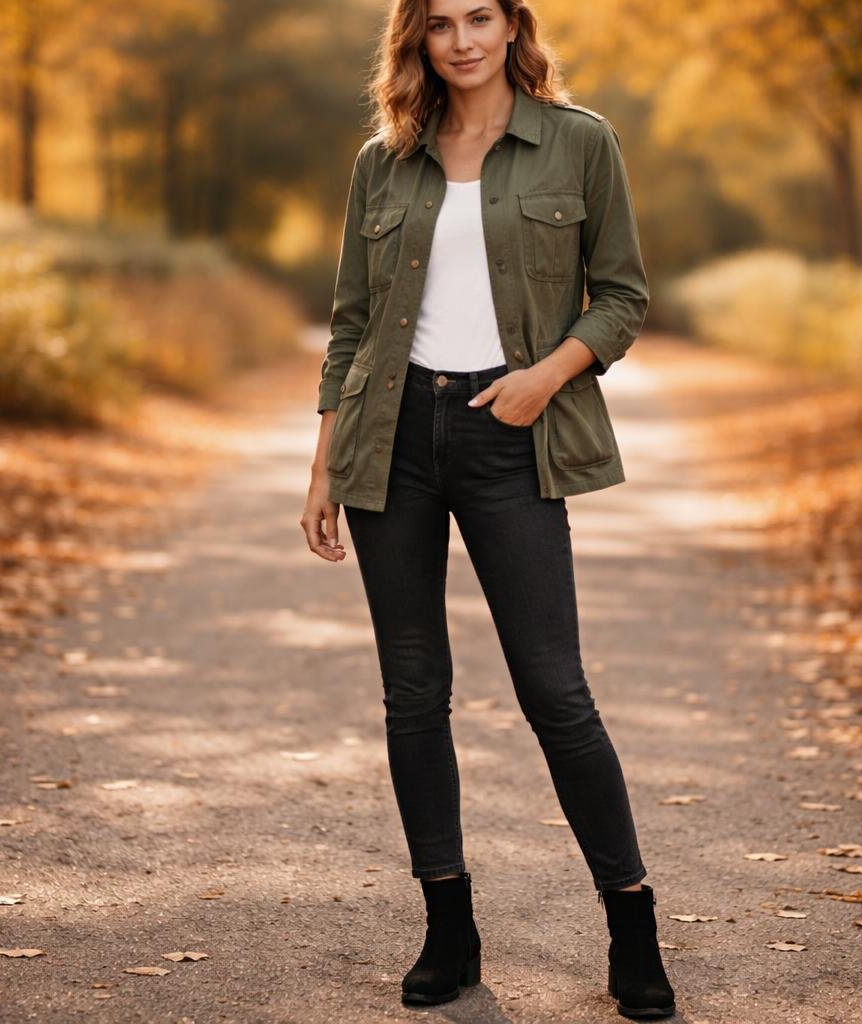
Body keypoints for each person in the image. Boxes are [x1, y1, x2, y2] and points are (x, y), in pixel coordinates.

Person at [300, 1, 675, 1018]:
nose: (461, 40)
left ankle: (632, 926)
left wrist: (543, 376)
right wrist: (325, 461)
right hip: (394, 440)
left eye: (481, 17)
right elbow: (352, 322)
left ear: (514, 27)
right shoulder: (385, 160)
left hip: (511, 435)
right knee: (413, 692)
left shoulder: (580, 142)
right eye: (440, 23)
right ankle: (448, 926)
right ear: (415, 40)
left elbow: (623, 296)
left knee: (557, 691)